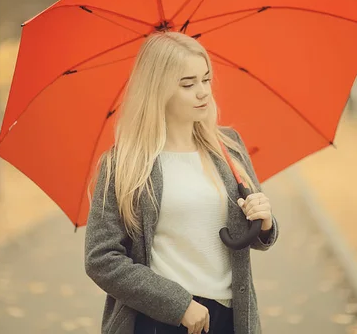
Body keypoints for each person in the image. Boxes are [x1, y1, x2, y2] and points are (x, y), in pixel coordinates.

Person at [84, 31, 278, 334]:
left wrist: (264, 221)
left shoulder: (228, 147)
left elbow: (250, 238)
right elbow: (101, 258)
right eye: (188, 84)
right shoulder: (124, 164)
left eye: (206, 79)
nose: (203, 92)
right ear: (158, 90)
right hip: (160, 319)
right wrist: (179, 304)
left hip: (231, 317)